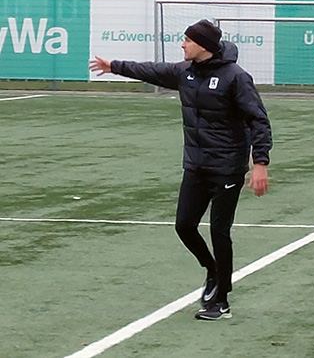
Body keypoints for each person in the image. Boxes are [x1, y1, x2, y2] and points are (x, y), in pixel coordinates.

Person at [89, 19, 273, 321]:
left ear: (203, 45)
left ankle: (221, 301)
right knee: (184, 225)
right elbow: (151, 70)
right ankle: (212, 271)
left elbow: (258, 121)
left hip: (227, 168)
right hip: (196, 165)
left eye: (187, 40)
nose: (182, 44)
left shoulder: (236, 77)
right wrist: (114, 66)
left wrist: (260, 163)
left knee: (219, 230)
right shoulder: (185, 72)